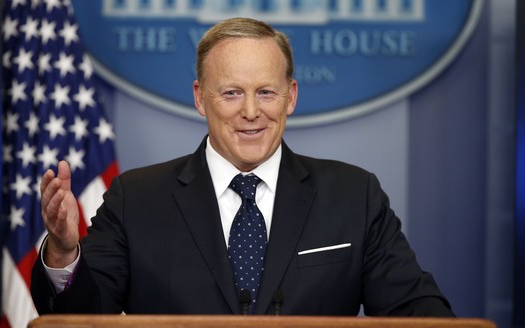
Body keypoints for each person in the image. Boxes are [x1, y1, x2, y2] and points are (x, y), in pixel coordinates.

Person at [32, 17, 454, 316]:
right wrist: (65, 252)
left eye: (266, 92)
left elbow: (414, 309)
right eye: (231, 93)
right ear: (200, 98)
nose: (251, 112)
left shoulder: (354, 196)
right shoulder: (136, 199)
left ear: (291, 97)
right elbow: (86, 316)